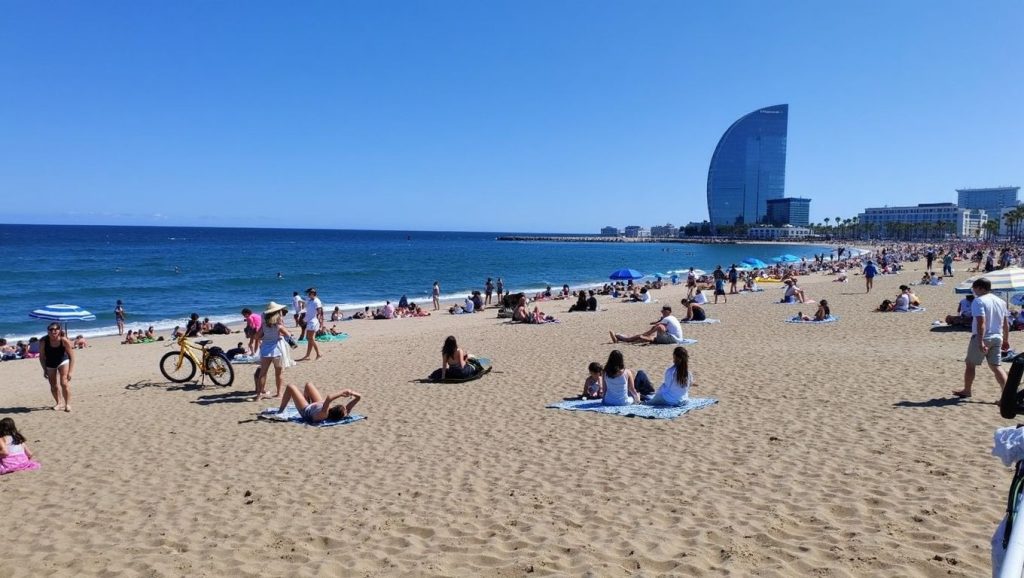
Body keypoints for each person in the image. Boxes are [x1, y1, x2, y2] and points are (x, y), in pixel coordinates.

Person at [954, 277, 1011, 398]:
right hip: (997, 336)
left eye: (974, 288)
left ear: (980, 288)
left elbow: (981, 322)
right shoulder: (1001, 301)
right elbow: (1006, 324)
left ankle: (967, 390)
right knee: (996, 366)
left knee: (970, 364)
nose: (973, 291)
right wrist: (1006, 340)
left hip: (984, 337)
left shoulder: (979, 301)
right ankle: (1007, 396)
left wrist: (980, 341)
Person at [254, 302, 296, 402]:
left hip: (265, 351)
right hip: (277, 351)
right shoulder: (279, 326)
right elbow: (289, 337)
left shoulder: (264, 326)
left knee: (263, 373)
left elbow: (256, 336)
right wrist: (285, 338)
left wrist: (264, 338)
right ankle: (279, 394)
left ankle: (259, 395)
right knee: (279, 374)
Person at [272, 382, 362, 424]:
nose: (346, 409)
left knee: (290, 387)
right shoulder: (340, 412)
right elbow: (359, 397)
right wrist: (352, 393)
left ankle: (281, 411)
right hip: (318, 405)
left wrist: (343, 392)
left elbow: (329, 398)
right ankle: (305, 400)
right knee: (308, 385)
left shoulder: (324, 414)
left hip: (305, 410)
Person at [38, 323, 75, 412]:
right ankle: (59, 403)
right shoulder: (44, 341)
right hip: (50, 363)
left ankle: (67, 404)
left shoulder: (63, 340)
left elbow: (72, 356)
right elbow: (41, 357)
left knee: (64, 383)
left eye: (56, 329)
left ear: (59, 330)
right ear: (48, 331)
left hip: (63, 361)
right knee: (53, 385)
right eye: (51, 329)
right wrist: (44, 369)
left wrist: (70, 371)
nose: (53, 331)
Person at [610, 305, 683, 344]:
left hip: (672, 339)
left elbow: (659, 327)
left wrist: (646, 333)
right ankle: (620, 338)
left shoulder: (666, 319)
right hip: (676, 338)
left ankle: (622, 338)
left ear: (668, 311)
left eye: (663, 311)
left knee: (645, 336)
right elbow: (658, 326)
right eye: (662, 311)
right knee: (652, 335)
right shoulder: (672, 318)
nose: (662, 312)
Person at [299, 288, 323, 361]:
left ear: (312, 294)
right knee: (309, 338)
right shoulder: (310, 300)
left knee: (310, 338)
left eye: (309, 293)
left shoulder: (317, 301)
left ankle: (319, 354)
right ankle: (307, 355)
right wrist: (305, 319)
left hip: (313, 321)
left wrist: (320, 323)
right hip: (309, 321)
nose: (308, 295)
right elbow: (308, 309)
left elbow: (319, 312)